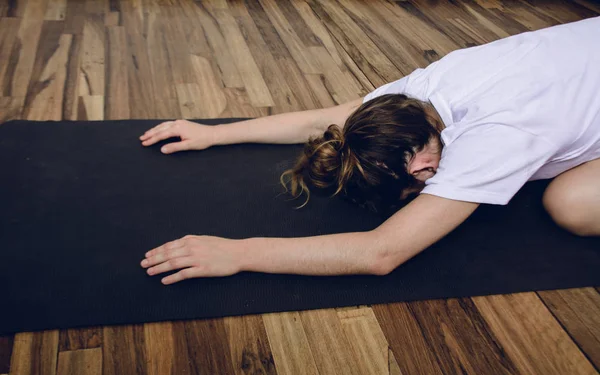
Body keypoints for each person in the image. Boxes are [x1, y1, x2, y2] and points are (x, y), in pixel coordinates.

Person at [138, 17, 600, 285]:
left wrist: (238, 253)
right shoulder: (418, 96)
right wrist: (216, 134)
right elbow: (324, 118)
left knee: (573, 206)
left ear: (424, 166)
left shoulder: (497, 134)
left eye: (418, 185)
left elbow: (381, 253)